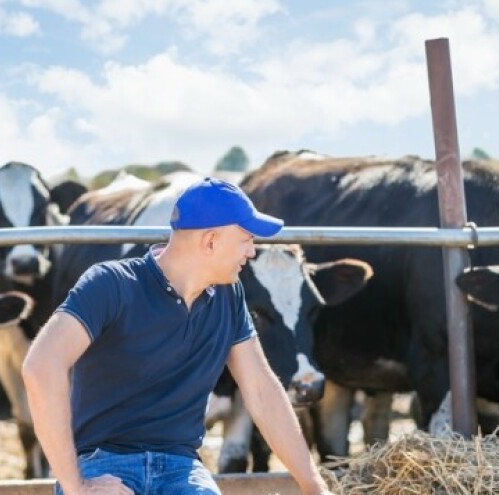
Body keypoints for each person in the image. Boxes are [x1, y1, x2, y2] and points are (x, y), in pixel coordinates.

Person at [22, 177, 333, 495]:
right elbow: (41, 367)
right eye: (246, 239)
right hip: (103, 465)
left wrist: (313, 485)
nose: (252, 251)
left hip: (180, 469)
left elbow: (262, 390)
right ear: (211, 241)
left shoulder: (229, 296)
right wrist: (76, 486)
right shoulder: (111, 284)